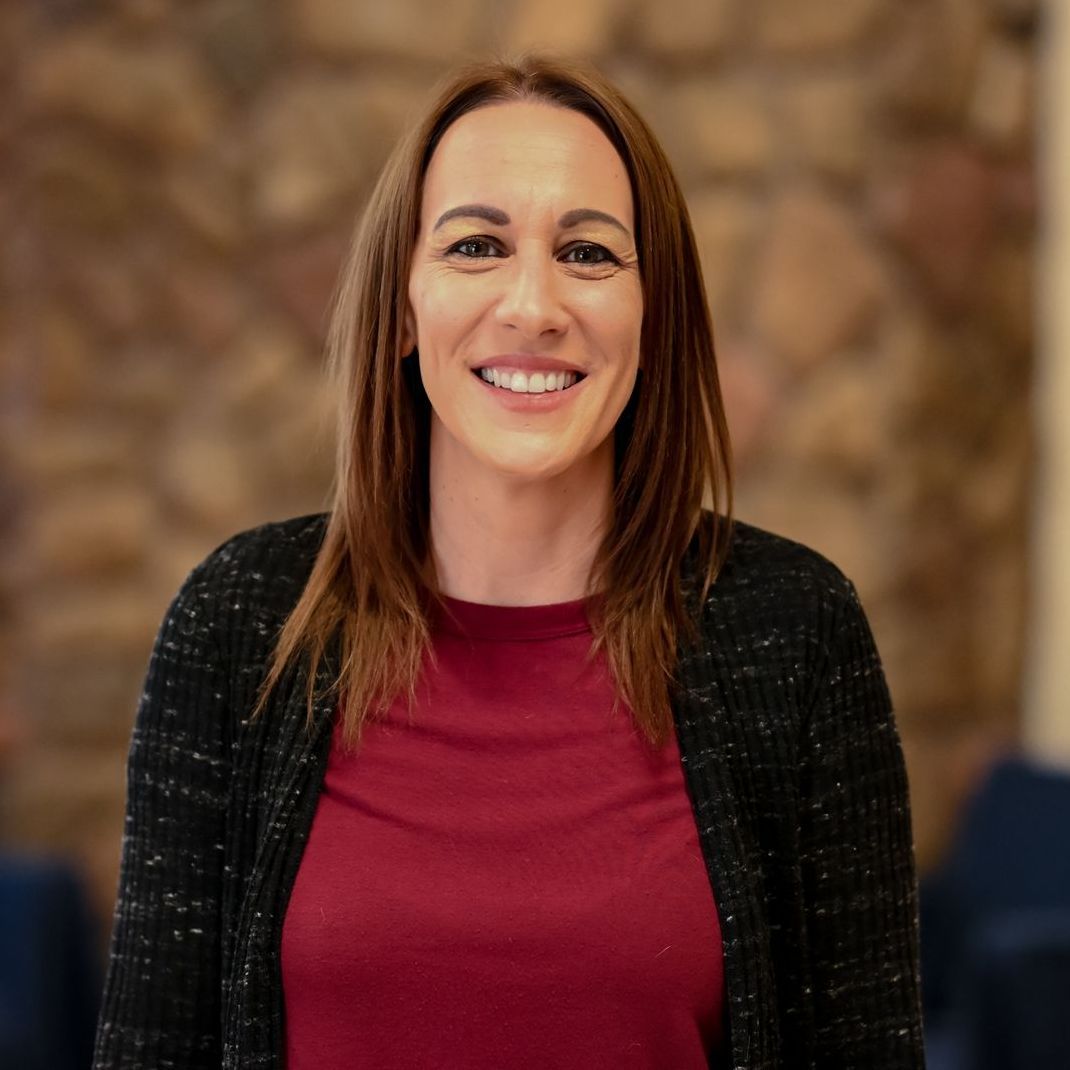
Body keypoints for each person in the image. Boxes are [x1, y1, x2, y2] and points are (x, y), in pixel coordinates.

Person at [92, 54, 924, 1069]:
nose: (533, 305)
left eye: (588, 253)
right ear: (403, 308)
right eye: (476, 246)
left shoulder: (794, 628)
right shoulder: (239, 621)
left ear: (651, 313)